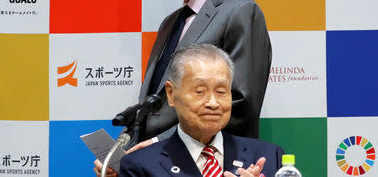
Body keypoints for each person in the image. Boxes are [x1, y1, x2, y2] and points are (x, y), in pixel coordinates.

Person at [94, 0, 272, 175]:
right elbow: (153, 107)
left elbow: (239, 104)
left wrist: (156, 145)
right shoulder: (170, 23)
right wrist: (125, 157)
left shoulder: (240, 10)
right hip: (159, 164)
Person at [120, 44, 283, 177]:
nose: (213, 103)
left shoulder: (270, 157)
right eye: (200, 91)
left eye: (221, 91)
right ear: (171, 94)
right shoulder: (140, 166)